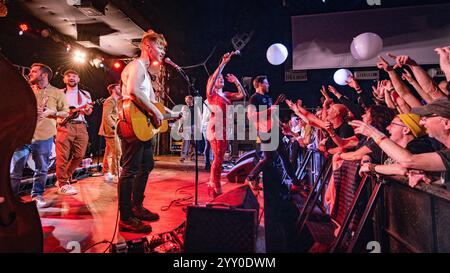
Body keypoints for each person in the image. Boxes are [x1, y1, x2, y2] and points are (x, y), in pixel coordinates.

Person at [117, 30, 166, 233]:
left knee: (146, 165)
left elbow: (152, 102)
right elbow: (134, 91)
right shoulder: (136, 65)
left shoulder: (145, 71)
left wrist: (171, 113)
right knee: (130, 170)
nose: (163, 51)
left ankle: (137, 207)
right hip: (132, 126)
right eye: (160, 47)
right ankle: (126, 217)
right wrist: (155, 112)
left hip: (143, 128)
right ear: (147, 46)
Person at [349, 98, 450, 189]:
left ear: (446, 123)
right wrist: (430, 180)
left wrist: (373, 132)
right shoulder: (445, 152)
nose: (421, 123)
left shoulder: (419, 146)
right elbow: (445, 183)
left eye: (425, 118)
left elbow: (408, 161)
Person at [10, 63, 68, 208]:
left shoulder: (57, 92)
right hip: (23, 136)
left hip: (44, 136)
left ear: (44, 75)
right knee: (15, 170)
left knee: (41, 169)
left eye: (34, 71)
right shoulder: (26, 91)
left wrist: (52, 113)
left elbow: (66, 112)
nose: (30, 73)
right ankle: (12, 199)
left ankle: (37, 195)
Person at [246, 76, 301, 188]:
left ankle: (295, 182)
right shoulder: (254, 98)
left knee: (283, 157)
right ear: (260, 84)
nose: (268, 85)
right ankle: (250, 177)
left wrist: (282, 125)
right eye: (266, 83)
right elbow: (251, 116)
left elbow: (273, 116)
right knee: (269, 158)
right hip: (265, 131)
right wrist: (269, 110)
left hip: (274, 130)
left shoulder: (268, 98)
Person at [206, 52, 245, 198]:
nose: (221, 79)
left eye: (222, 78)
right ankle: (215, 185)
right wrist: (223, 63)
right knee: (217, 158)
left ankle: (212, 183)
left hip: (225, 129)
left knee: (220, 157)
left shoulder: (227, 95)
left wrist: (236, 81)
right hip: (216, 128)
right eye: (218, 78)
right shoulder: (212, 94)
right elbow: (214, 77)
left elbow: (242, 95)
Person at [55, 69, 92, 195]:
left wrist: (87, 110)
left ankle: (65, 176)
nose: (71, 78)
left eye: (74, 76)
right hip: (65, 126)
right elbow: (53, 110)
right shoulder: (59, 93)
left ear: (78, 79)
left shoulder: (86, 94)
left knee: (80, 155)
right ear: (64, 79)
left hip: (81, 126)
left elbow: (89, 112)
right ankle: (63, 184)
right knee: (62, 156)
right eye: (68, 76)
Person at [99, 83, 122, 182]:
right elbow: (106, 116)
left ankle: (106, 171)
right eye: (118, 87)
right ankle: (116, 174)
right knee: (117, 152)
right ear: (113, 89)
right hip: (111, 130)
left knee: (109, 152)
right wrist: (114, 126)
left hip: (115, 129)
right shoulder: (110, 101)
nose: (120, 89)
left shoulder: (118, 101)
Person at [179, 95, 194, 162]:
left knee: (193, 142)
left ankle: (192, 156)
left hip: (194, 126)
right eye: (186, 100)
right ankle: (183, 156)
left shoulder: (196, 107)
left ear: (191, 100)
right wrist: (180, 126)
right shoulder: (184, 108)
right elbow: (181, 118)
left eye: (188, 100)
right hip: (186, 126)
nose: (187, 101)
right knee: (185, 141)